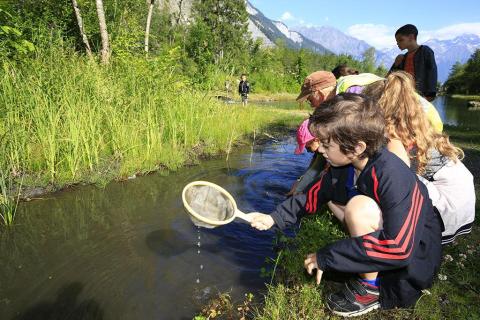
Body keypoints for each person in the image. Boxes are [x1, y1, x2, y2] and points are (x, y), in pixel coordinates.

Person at [249, 94, 442, 317]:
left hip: (416, 253)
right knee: (333, 199)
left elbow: (399, 247)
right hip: (393, 234)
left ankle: (372, 290)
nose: (320, 149)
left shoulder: (392, 175)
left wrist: (328, 256)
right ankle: (368, 269)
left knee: (357, 208)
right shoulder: (343, 166)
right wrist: (273, 218)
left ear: (357, 147)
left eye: (326, 144)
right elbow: (311, 197)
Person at [363, 71, 475, 244]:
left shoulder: (395, 139)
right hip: (461, 204)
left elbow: (397, 181)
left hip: (446, 212)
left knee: (385, 179)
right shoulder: (413, 125)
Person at [389, 24, 438, 101]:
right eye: (397, 41)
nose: (398, 43)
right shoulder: (402, 58)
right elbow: (391, 77)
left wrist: (430, 95)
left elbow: (432, 71)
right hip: (404, 97)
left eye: (401, 40)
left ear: (411, 37)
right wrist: (395, 65)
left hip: (421, 97)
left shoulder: (425, 51)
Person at [288, 119, 326, 195]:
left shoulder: (323, 154)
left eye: (308, 147)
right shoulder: (318, 151)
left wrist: (297, 191)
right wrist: (299, 181)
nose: (308, 151)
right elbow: (310, 169)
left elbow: (313, 172)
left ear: (316, 140)